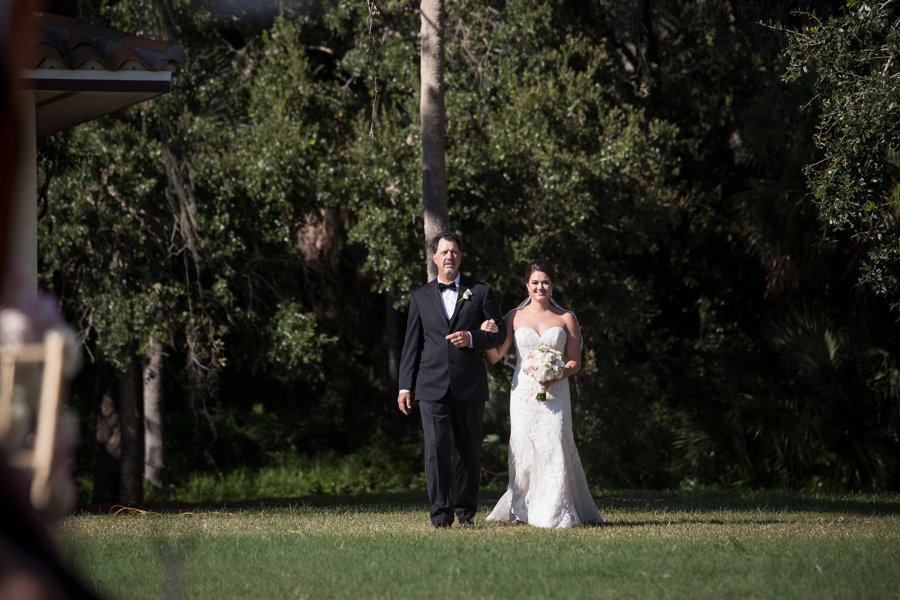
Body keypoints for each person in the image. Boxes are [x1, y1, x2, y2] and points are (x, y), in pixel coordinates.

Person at [480, 260, 603, 528]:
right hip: (523, 393)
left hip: (556, 393)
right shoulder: (514, 316)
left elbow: (575, 362)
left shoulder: (565, 317)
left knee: (555, 442)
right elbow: (496, 356)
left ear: (552, 285)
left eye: (545, 282)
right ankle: (523, 506)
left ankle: (555, 508)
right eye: (535, 282)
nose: (540, 287)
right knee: (524, 445)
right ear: (527, 285)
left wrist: (555, 374)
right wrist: (485, 337)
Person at [397, 232, 506, 528]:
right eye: (444, 252)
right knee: (436, 450)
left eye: (454, 252)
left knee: (469, 452)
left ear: (460, 257)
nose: (449, 256)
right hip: (431, 386)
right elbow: (412, 344)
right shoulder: (420, 296)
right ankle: (440, 515)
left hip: (469, 385)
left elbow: (500, 334)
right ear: (435, 258)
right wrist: (405, 385)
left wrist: (472, 337)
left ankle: (465, 513)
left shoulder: (480, 292)